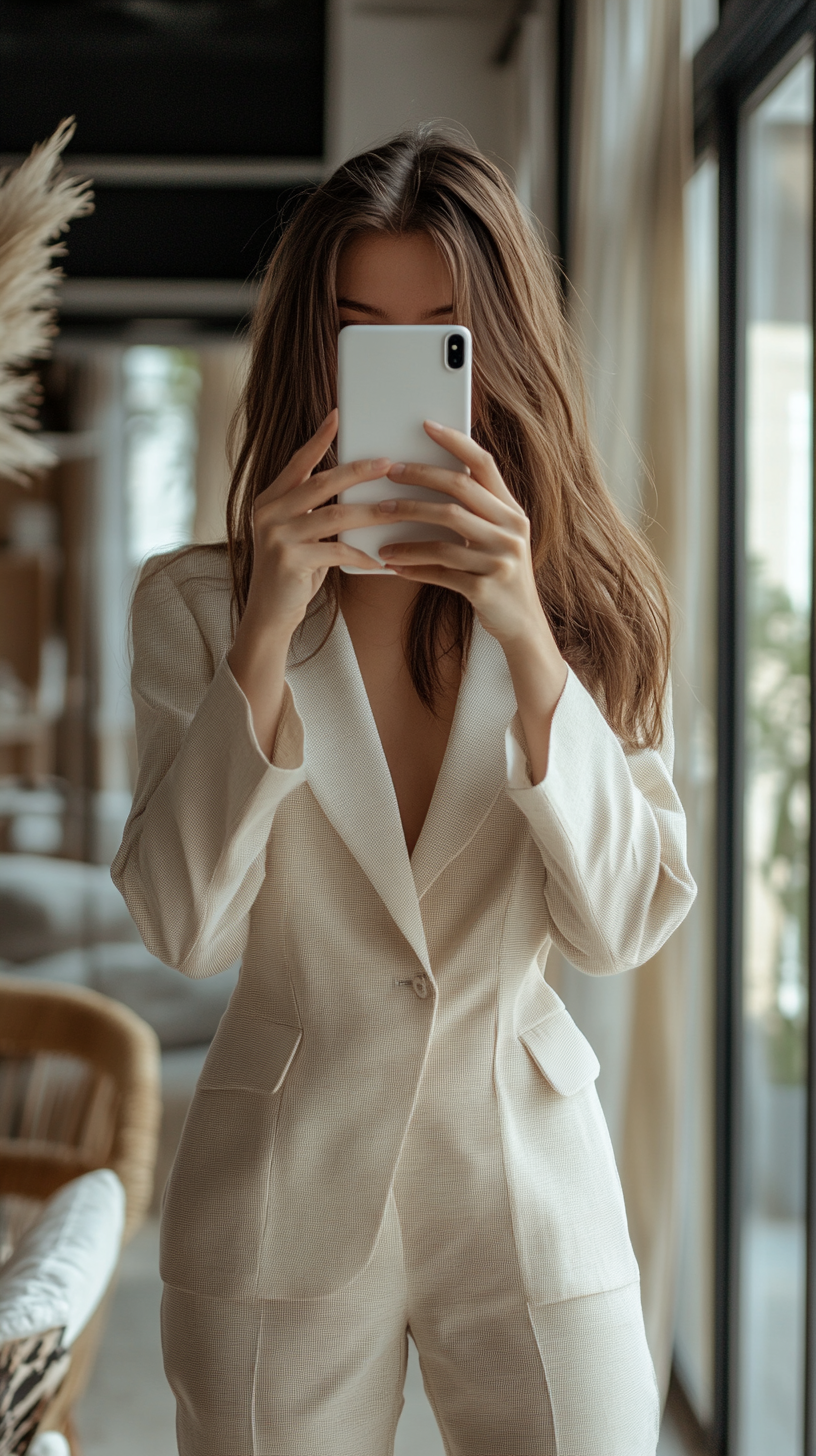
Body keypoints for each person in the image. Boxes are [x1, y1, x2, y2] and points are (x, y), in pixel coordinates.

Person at [112, 127, 696, 1456]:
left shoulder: (589, 608)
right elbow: (184, 930)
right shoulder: (195, 608)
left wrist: (527, 638)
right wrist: (265, 635)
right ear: (307, 353)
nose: (401, 374)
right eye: (358, 332)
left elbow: (619, 925)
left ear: (503, 350)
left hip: (528, 1196)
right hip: (279, 1201)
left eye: (441, 334)